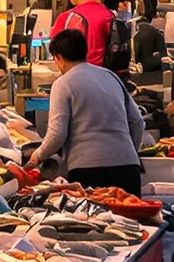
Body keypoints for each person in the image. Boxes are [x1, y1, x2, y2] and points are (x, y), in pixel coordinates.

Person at [32, 26, 147, 194]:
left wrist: (37, 156)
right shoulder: (110, 76)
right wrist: (126, 152)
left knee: (94, 212)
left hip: (88, 171)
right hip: (128, 168)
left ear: (58, 58)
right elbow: (137, 122)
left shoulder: (62, 84)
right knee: (128, 212)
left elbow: (57, 135)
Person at [51, 0, 114, 65]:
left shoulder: (68, 16)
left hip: (78, 69)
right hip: (106, 70)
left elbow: (55, 45)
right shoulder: (109, 14)